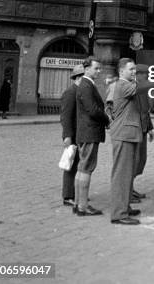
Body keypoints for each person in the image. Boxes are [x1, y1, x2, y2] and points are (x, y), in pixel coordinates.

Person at [106, 58, 142, 225]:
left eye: (135, 69)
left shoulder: (121, 85)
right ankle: (119, 214)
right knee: (121, 175)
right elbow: (145, 86)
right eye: (131, 69)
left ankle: (124, 207)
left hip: (127, 134)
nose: (134, 72)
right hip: (124, 135)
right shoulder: (122, 85)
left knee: (127, 174)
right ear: (121, 71)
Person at [74, 57, 109, 216]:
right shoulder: (87, 85)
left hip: (85, 131)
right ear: (86, 69)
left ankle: (77, 203)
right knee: (87, 168)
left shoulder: (85, 84)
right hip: (90, 132)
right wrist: (107, 119)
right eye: (96, 68)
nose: (99, 71)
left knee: (82, 168)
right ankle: (83, 206)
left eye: (99, 68)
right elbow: (93, 110)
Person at [60, 64, 84, 207]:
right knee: (70, 165)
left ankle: (77, 194)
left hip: (80, 134)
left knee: (79, 165)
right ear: (78, 77)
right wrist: (67, 136)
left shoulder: (80, 91)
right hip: (73, 135)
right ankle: (68, 196)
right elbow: (65, 116)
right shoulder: (70, 92)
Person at [131, 64, 154, 202]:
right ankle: (127, 192)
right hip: (135, 130)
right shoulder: (133, 88)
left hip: (143, 129)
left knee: (141, 160)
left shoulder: (144, 88)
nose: (147, 76)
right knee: (134, 161)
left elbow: (146, 111)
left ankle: (131, 188)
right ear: (137, 74)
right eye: (144, 73)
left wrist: (150, 128)